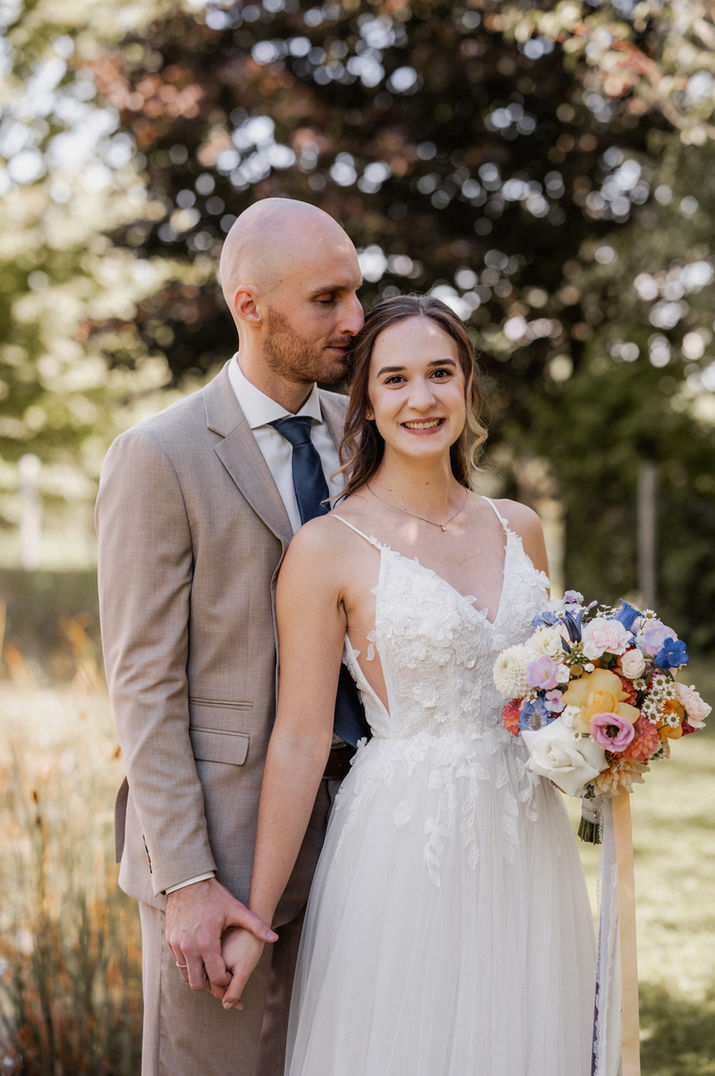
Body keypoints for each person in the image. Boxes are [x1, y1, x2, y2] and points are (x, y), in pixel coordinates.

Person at [220, 294, 597, 1075]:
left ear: (467, 388)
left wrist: (606, 733)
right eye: (393, 380)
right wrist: (254, 915)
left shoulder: (518, 526)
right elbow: (297, 739)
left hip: (525, 836)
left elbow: (545, 695)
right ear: (364, 403)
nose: (420, 399)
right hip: (403, 842)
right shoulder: (328, 547)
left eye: (439, 374)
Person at [95, 197, 364, 1076]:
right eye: (327, 299)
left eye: (356, 294)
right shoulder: (159, 455)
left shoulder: (365, 437)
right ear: (249, 305)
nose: (354, 321)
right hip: (220, 851)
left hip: (364, 833)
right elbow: (144, 685)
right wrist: (185, 881)